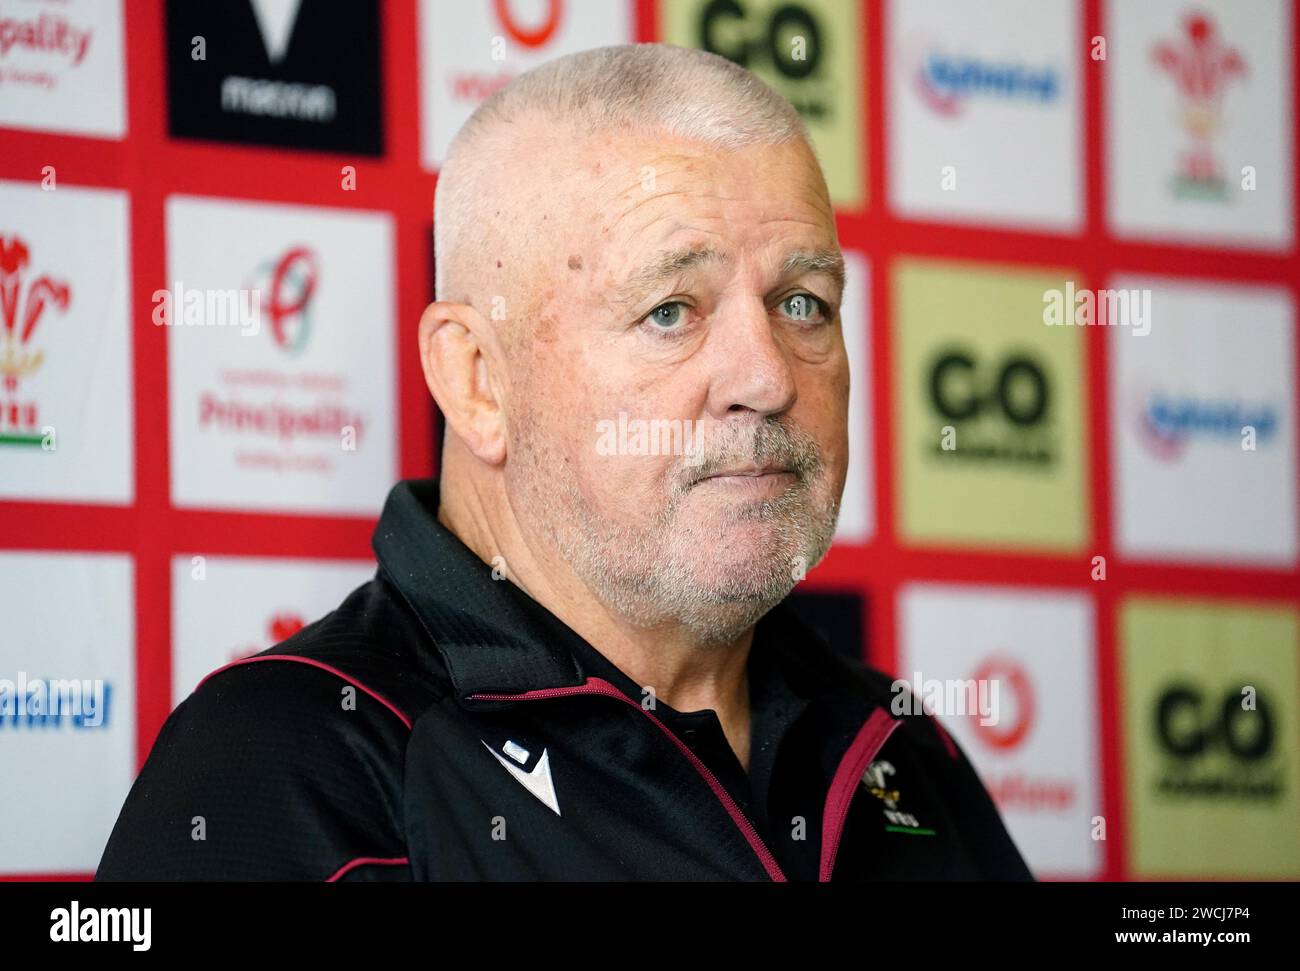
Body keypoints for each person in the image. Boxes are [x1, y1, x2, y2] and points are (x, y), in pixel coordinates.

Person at [97, 43, 1033, 881]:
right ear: (476, 380)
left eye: (802, 303)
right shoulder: (287, 770)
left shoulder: (897, 746)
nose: (765, 377)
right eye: (671, 309)